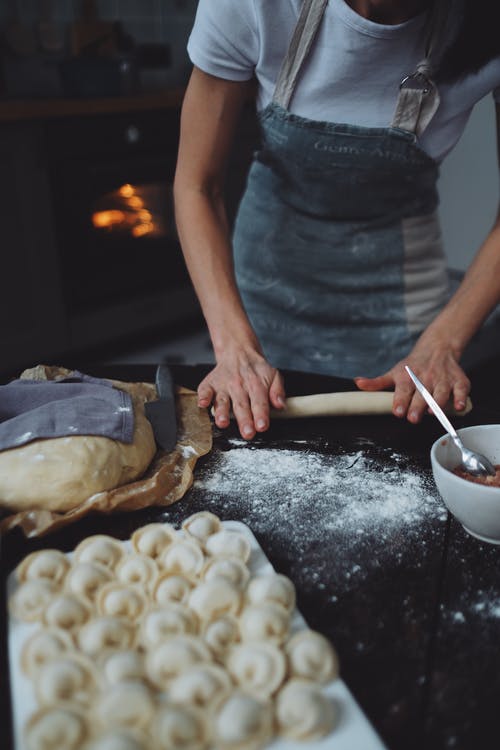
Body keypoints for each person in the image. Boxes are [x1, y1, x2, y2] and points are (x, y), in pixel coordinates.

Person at [173, 0, 500, 440]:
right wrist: (233, 346)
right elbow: (197, 185)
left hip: (401, 306)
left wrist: (444, 342)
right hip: (267, 290)